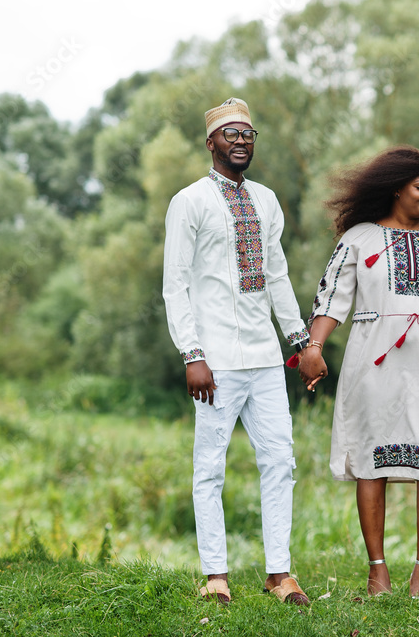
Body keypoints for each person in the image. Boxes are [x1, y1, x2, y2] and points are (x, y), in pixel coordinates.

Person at [296, 146, 419, 599]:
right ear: (397, 188)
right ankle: (378, 572)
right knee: (371, 461)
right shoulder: (360, 237)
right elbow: (331, 297)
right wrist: (314, 347)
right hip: (372, 359)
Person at [162, 98, 311, 606]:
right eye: (230, 134)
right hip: (215, 359)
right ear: (211, 143)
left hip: (266, 358)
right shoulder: (190, 201)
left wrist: (301, 341)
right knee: (210, 467)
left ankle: (278, 572)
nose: (241, 141)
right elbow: (174, 286)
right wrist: (192, 354)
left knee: (280, 462)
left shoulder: (268, 201)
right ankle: (216, 575)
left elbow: (276, 277)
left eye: (248, 133)